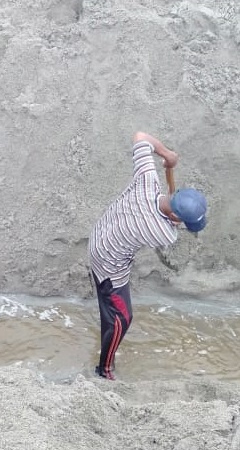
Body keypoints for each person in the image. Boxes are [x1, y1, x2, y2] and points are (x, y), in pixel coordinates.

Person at [88, 131, 207, 379]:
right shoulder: (163, 233)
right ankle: (104, 369)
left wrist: (167, 155)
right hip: (108, 264)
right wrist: (174, 210)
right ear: (176, 217)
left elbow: (140, 136)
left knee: (110, 311)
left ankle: (105, 339)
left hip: (100, 235)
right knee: (122, 317)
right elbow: (171, 223)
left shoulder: (147, 179)